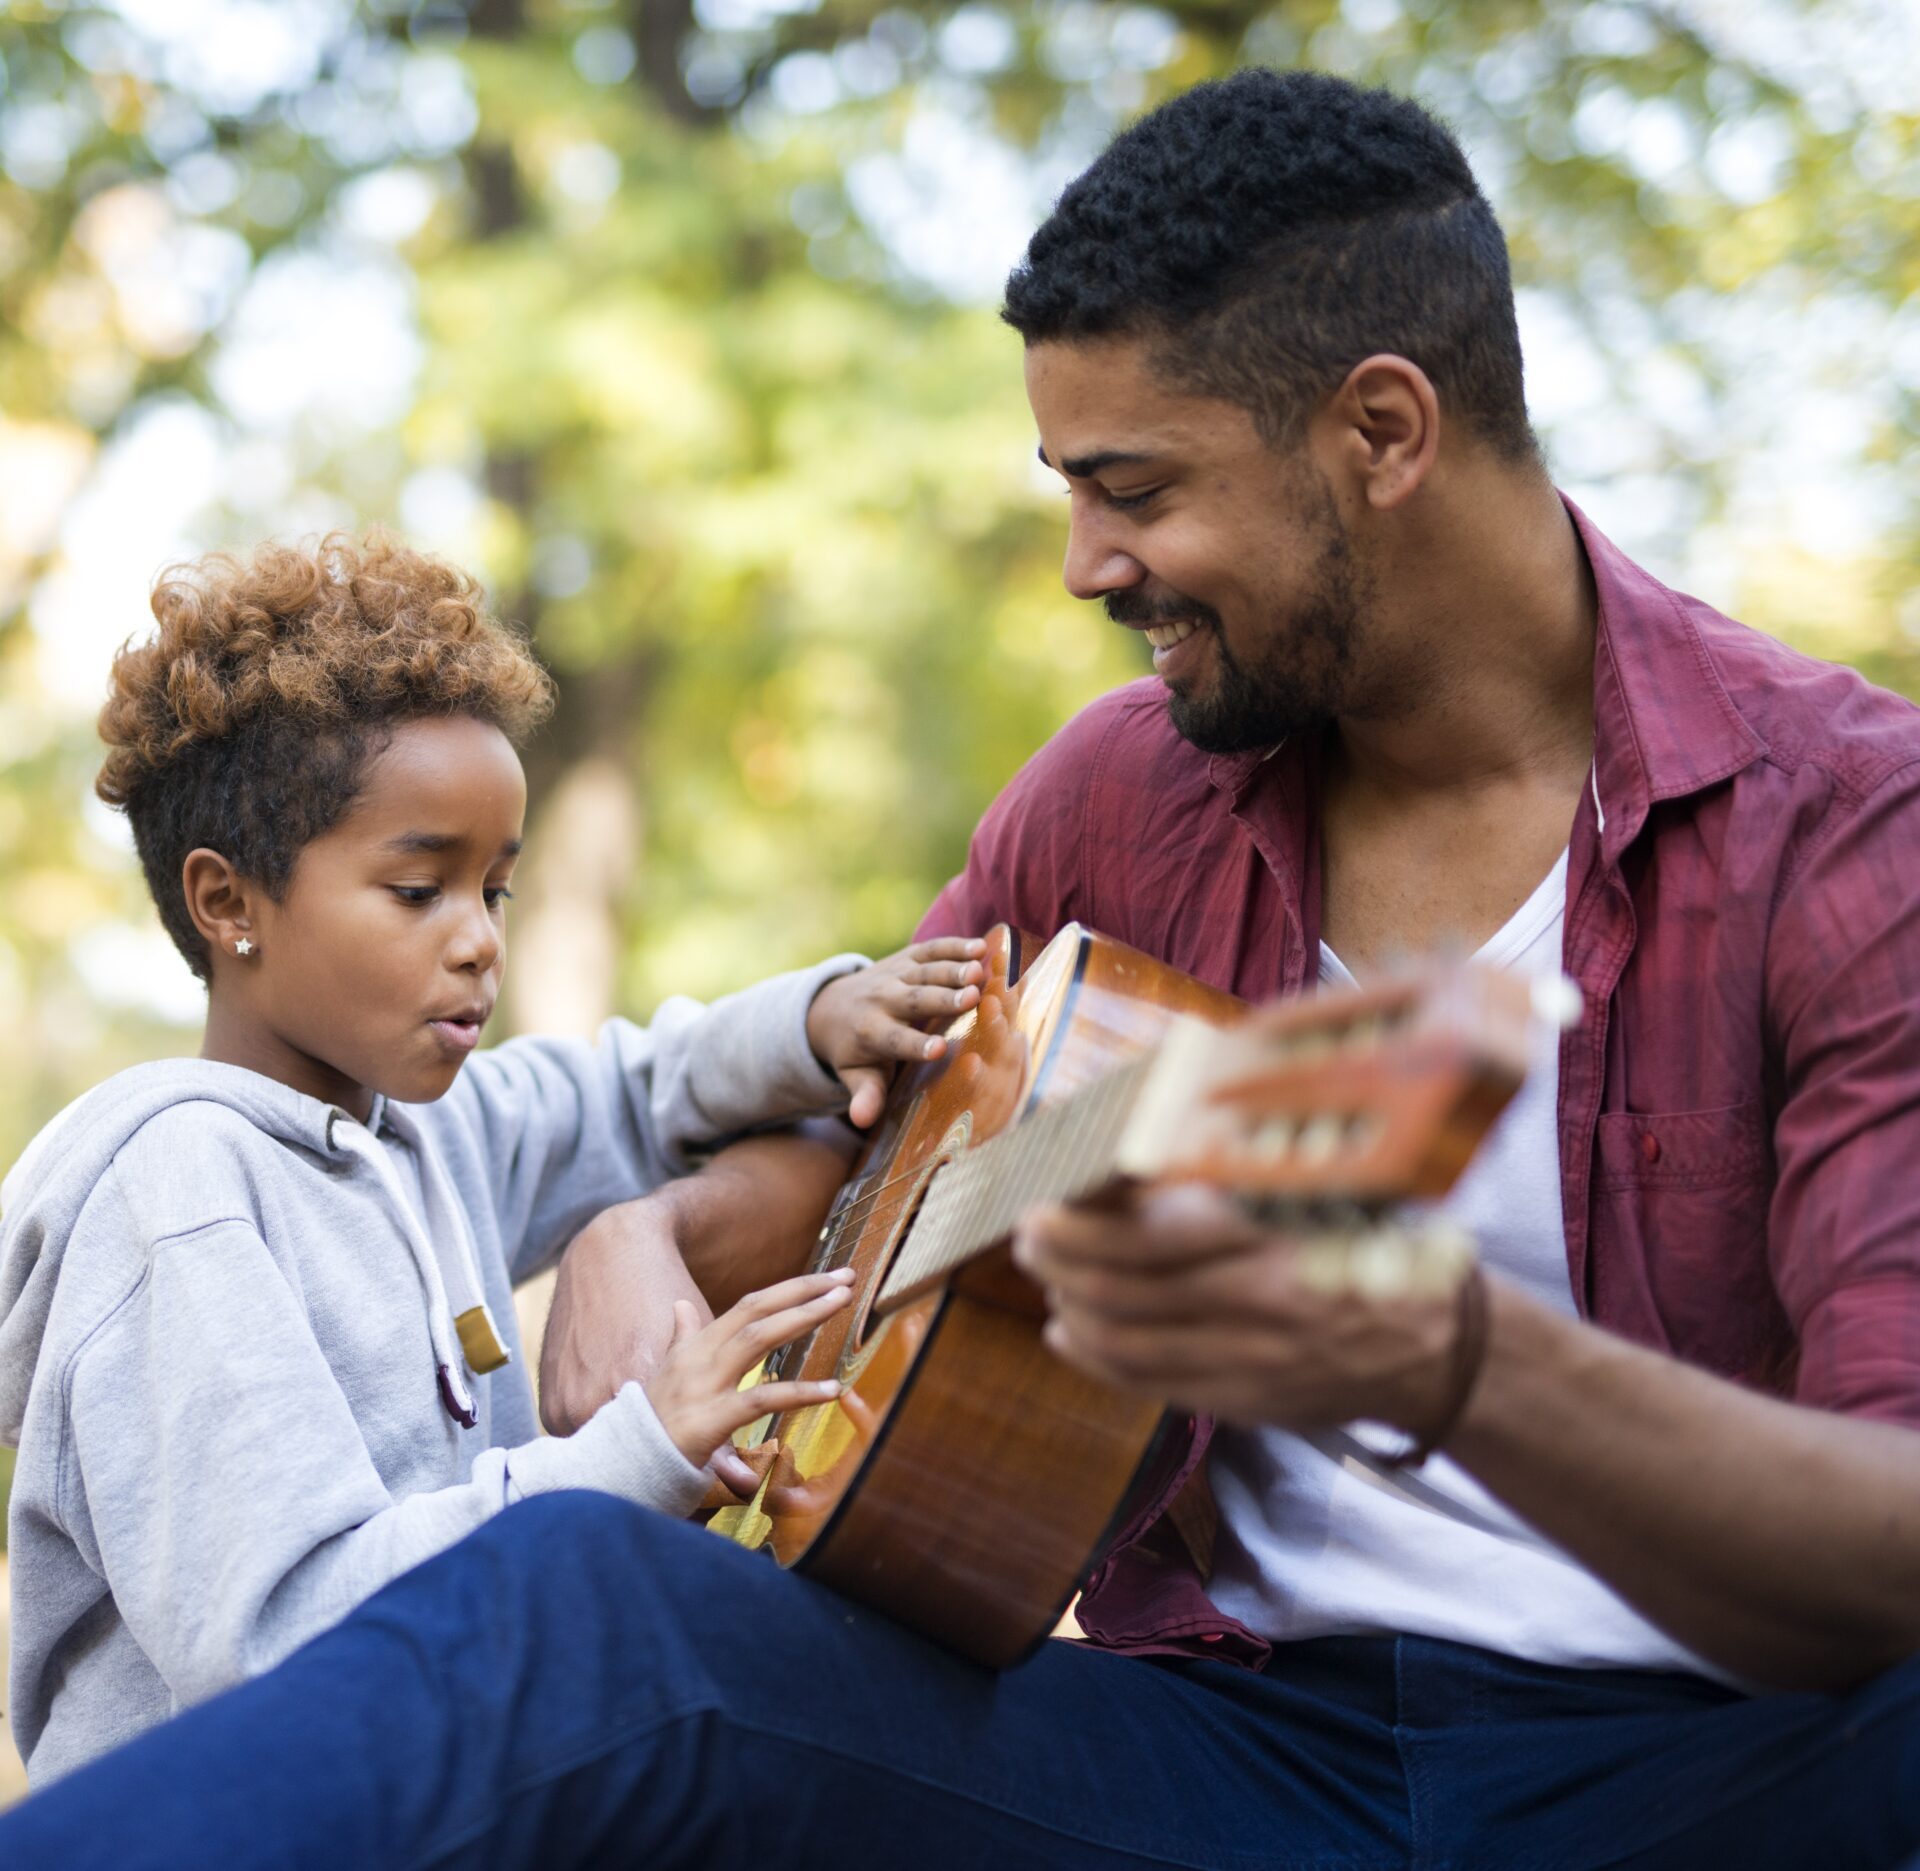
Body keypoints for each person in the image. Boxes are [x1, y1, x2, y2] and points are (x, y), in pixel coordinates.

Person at [4, 67, 1919, 1870]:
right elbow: (872, 1159)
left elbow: (1890, 1540)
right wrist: (639, 1234)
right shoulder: (1119, 800)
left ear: (1383, 432)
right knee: (596, 1604)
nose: (1085, 562)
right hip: (1228, 1748)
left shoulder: (1844, 828)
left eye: (1136, 489)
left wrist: (1449, 1358)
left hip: (1730, 1751)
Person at [0, 531, 985, 1785]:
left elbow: (638, 1091)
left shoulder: (428, 1130)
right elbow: (284, 1634)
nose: (478, 941)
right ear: (228, 901)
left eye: (496, 890)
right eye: (420, 889)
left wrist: (815, 1018)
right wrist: (639, 1451)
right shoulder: (178, 1196)